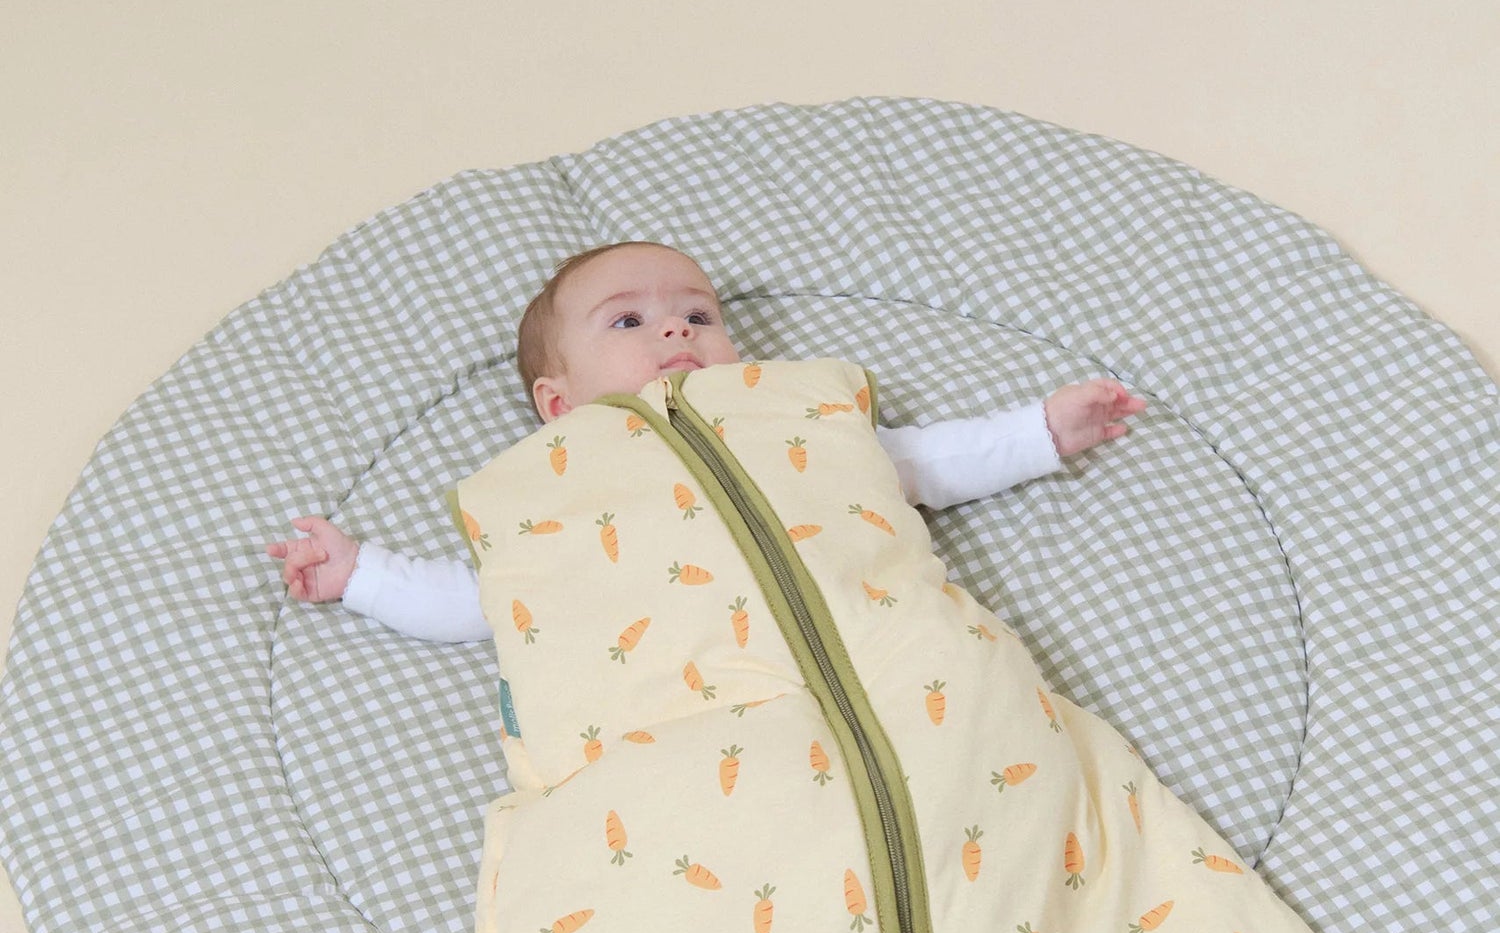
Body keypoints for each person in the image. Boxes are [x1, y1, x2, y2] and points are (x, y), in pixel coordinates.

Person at [265, 240, 1146, 638]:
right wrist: (363, 575)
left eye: (699, 315)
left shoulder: (790, 422)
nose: (676, 329)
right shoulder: (567, 486)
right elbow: (484, 600)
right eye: (628, 321)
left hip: (886, 650)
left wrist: (1041, 430)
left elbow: (921, 461)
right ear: (558, 404)